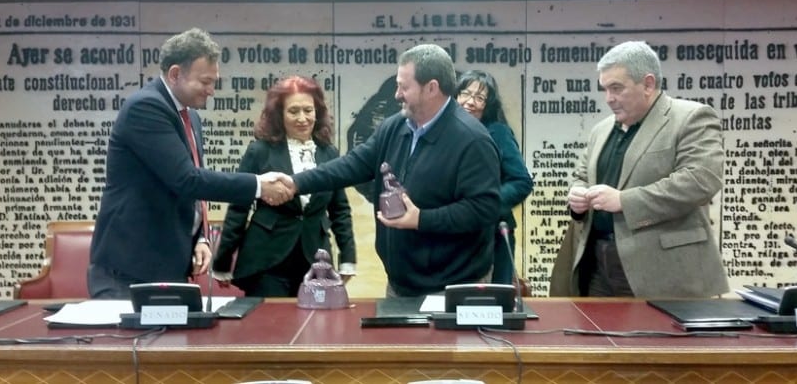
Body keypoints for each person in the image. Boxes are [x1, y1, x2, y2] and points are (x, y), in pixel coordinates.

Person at [281, 44, 502, 297]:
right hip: (400, 285)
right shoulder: (394, 127)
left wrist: (421, 219)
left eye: (404, 87)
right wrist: (295, 183)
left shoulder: (473, 141)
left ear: (431, 88)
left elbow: (484, 209)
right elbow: (353, 164)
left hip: (452, 289)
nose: (397, 94)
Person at [87, 28, 292, 299]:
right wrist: (258, 185)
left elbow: (192, 188)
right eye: (205, 81)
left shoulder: (190, 116)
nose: (212, 91)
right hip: (129, 271)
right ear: (175, 74)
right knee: (133, 343)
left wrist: (201, 238)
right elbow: (187, 179)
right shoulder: (145, 107)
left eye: (214, 81)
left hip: (169, 266)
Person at [561, 40, 728, 298]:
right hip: (596, 268)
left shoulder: (691, 118)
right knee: (597, 338)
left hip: (663, 273)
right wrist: (577, 195)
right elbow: (582, 175)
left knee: (656, 339)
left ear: (648, 84)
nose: (609, 99)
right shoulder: (601, 129)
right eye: (605, 89)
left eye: (617, 88)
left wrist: (624, 201)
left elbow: (700, 181)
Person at [211, 75, 356, 297]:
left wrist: (348, 258)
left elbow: (340, 210)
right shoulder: (259, 151)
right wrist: (222, 262)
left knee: (315, 328)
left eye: (308, 110)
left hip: (315, 261)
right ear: (279, 115)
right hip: (266, 261)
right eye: (293, 111)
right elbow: (239, 209)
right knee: (270, 329)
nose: (302, 118)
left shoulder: (329, 153)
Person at [455, 70, 533, 285]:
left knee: (493, 306)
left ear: (487, 105)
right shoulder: (444, 133)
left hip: (492, 236)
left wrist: (484, 206)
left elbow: (521, 181)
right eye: (465, 93)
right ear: (454, 96)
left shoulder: (497, 132)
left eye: (479, 98)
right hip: (453, 237)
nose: (470, 102)